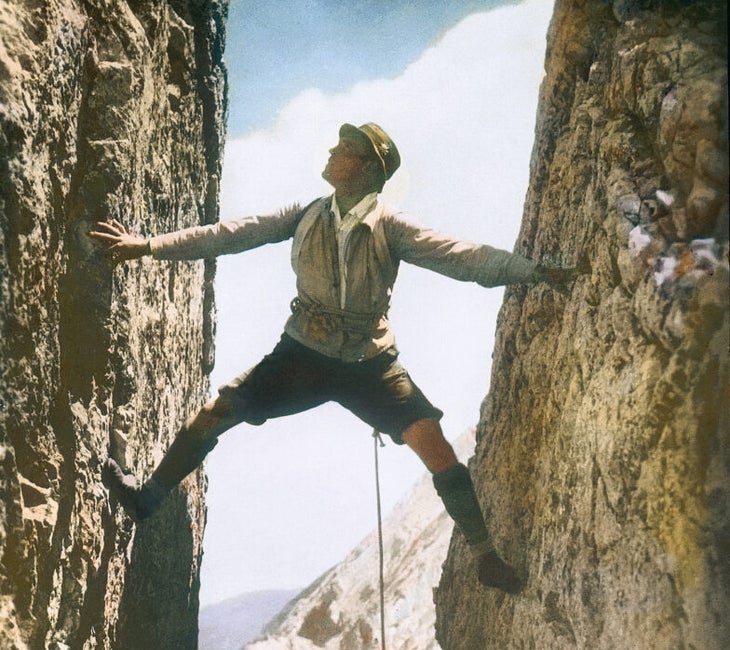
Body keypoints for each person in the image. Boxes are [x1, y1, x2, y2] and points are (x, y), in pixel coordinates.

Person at [91, 122, 577, 594]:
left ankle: (487, 557)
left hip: (370, 363)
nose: (331, 151)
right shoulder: (306, 214)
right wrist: (148, 247)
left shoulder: (392, 228)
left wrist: (531, 272)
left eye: (344, 148)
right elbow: (232, 233)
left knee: (436, 448)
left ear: (367, 169)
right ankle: (146, 499)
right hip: (303, 353)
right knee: (217, 413)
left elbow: (462, 256)